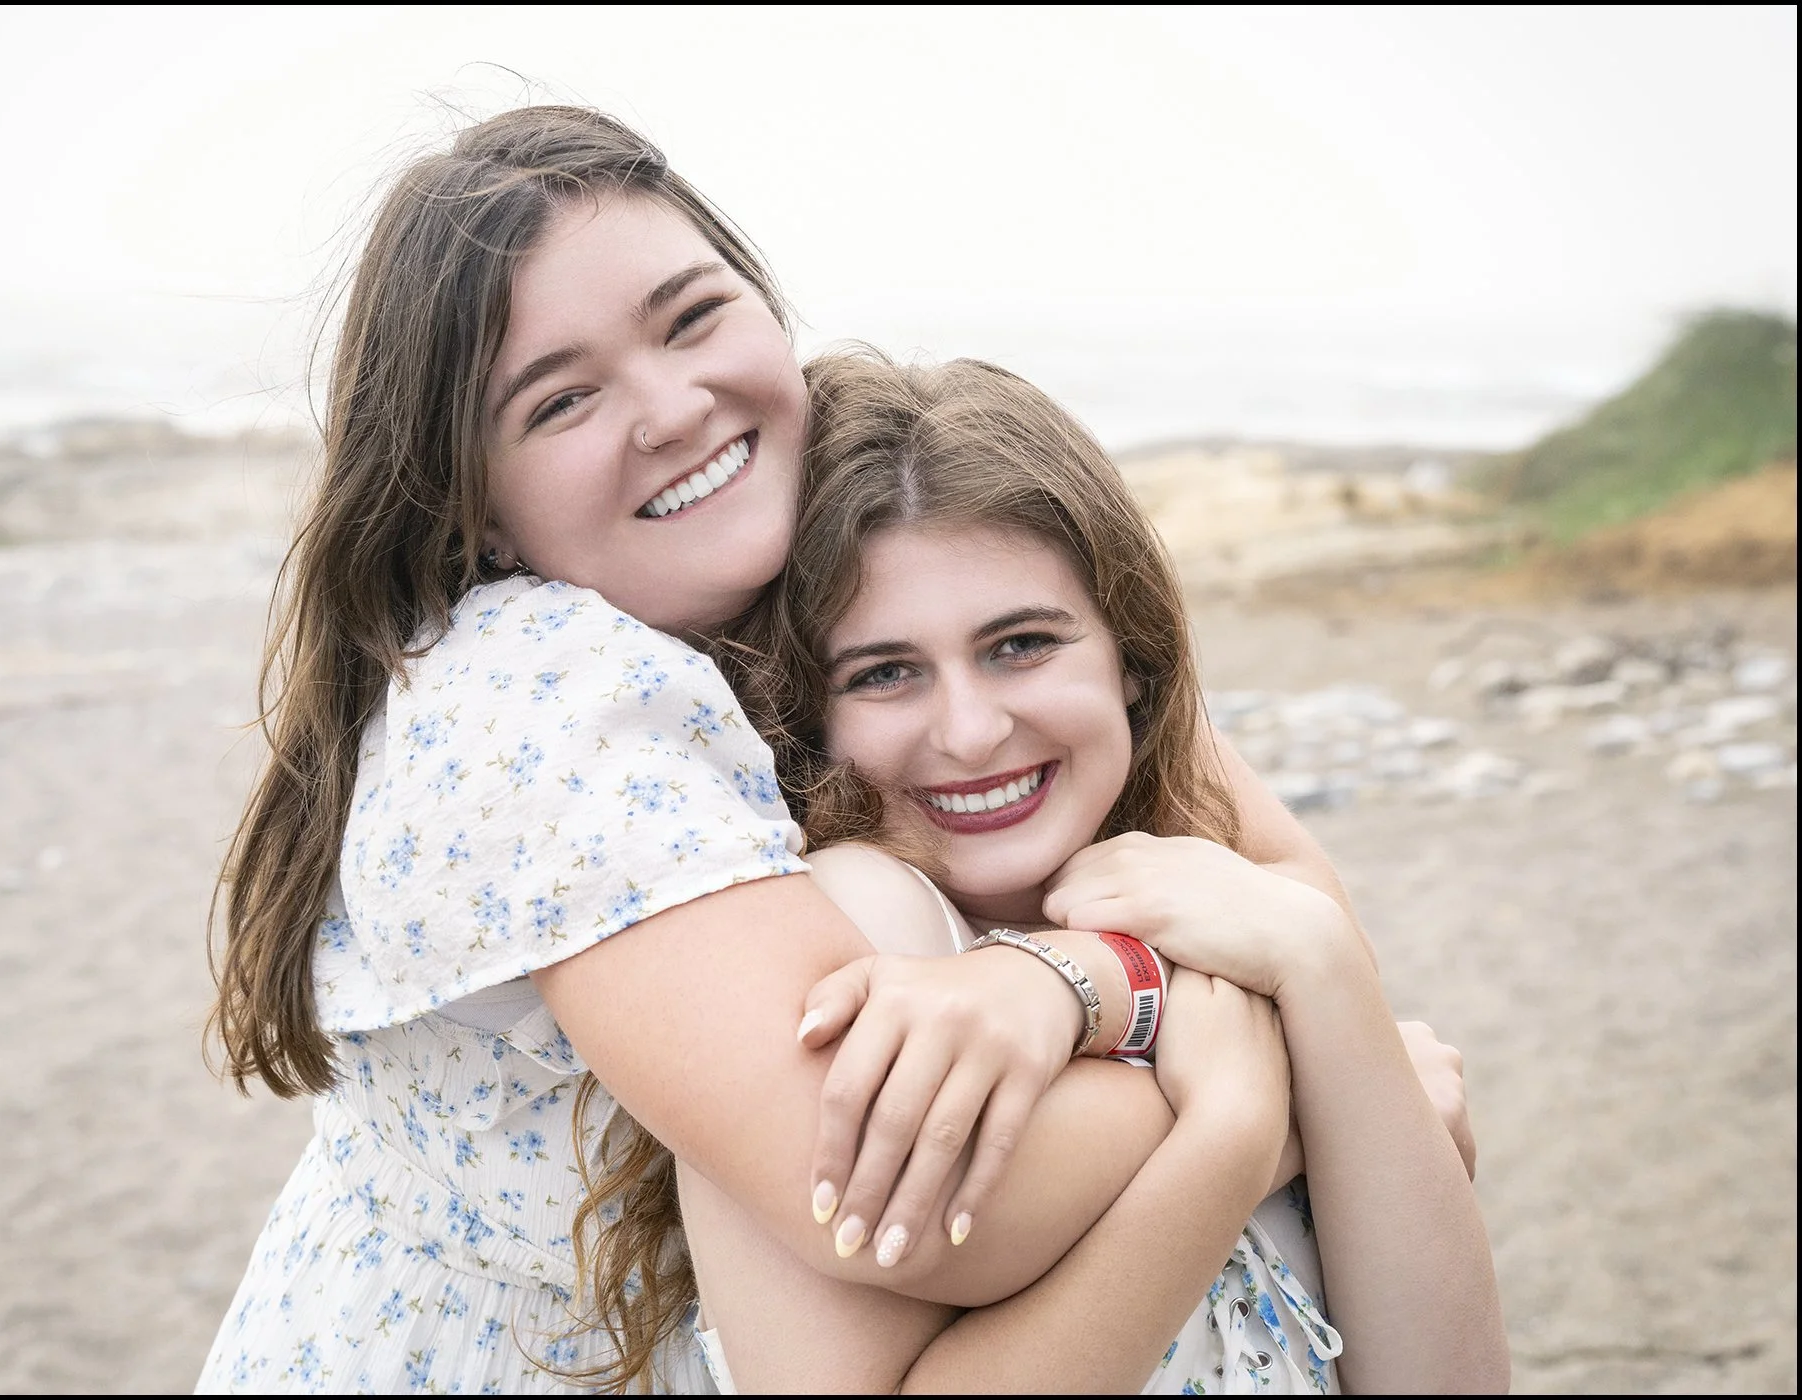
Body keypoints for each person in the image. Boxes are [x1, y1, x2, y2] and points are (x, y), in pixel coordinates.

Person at [196, 105, 1475, 1396]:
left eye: (693, 317)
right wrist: (1271, 1090)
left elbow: (1292, 904)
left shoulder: (895, 531)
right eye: (563, 398)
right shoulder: (547, 694)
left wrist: (1099, 979)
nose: (672, 406)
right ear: (468, 497)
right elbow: (884, 1179)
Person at [636, 349, 1509, 1392]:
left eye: (1019, 644)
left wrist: (1312, 952)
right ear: (809, 711)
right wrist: (1236, 1128)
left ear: (1127, 655)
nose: (970, 730)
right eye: (884, 672)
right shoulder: (854, 932)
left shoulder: (1220, 894)